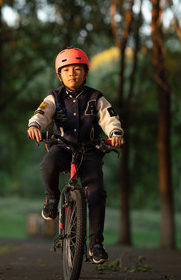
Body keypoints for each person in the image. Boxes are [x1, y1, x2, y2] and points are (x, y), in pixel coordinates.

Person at [27, 47, 124, 264]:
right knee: (47, 164)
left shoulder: (96, 97)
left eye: (78, 69)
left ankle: (96, 244)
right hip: (62, 147)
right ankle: (51, 198)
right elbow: (42, 113)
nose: (72, 74)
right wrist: (35, 125)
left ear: (86, 72)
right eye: (67, 70)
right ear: (59, 74)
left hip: (90, 150)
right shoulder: (54, 97)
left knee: (97, 193)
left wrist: (115, 133)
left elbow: (110, 118)